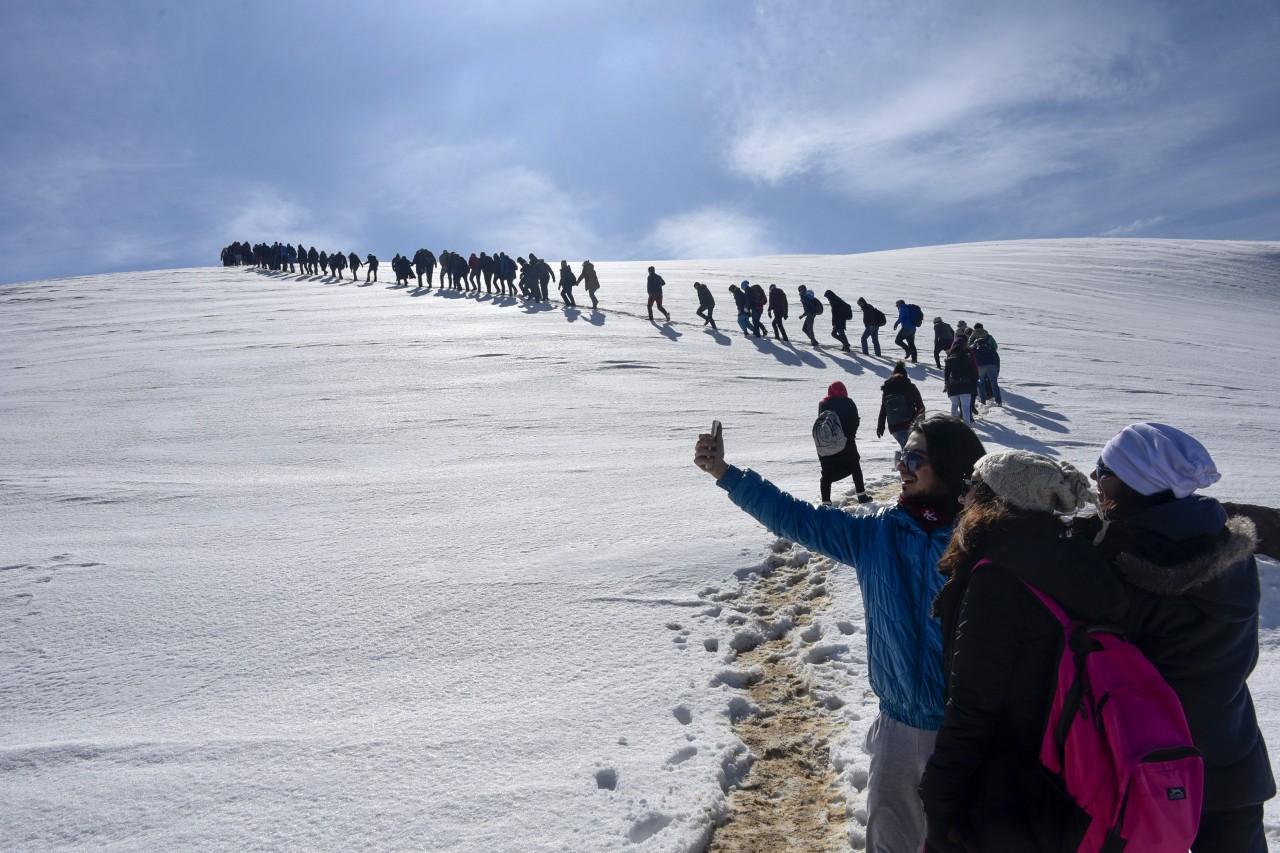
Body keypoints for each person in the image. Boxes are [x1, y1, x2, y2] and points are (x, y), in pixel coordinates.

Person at [694, 415, 986, 853]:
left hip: (967, 736)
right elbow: (795, 518)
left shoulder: (979, 541)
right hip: (898, 730)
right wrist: (725, 473)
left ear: (950, 466)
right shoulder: (876, 533)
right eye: (901, 455)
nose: (902, 466)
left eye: (914, 458)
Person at [1079, 423, 1276, 852]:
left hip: (1145, 763)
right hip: (1232, 758)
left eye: (1103, 469)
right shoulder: (1230, 550)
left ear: (1134, 482)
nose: (1094, 478)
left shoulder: (1118, 561)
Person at [920, 451, 1123, 852]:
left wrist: (938, 798)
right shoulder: (1081, 562)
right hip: (1071, 783)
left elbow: (973, 706)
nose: (961, 498)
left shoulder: (997, 580)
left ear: (994, 499)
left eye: (970, 486)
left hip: (1004, 799)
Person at [817, 381, 871, 505]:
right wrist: (850, 436)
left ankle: (826, 503)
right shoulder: (848, 402)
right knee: (854, 465)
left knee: (826, 473)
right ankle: (862, 496)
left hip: (826, 444)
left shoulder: (823, 403)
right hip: (846, 442)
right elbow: (855, 421)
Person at [877, 360, 926, 448]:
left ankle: (903, 455)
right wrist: (921, 423)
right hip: (910, 424)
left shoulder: (887, 389)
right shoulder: (910, 387)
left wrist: (880, 427)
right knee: (911, 449)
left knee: (906, 448)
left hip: (894, 426)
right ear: (905, 375)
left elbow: (883, 409)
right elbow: (920, 406)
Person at [944, 338, 979, 424]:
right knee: (965, 408)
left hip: (953, 386)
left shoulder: (949, 360)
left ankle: (954, 424)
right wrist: (975, 384)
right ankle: (967, 425)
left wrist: (946, 385)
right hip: (966, 386)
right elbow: (972, 372)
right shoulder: (967, 358)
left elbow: (946, 375)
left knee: (954, 405)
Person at [970, 328, 1002, 407]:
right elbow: (997, 358)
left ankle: (983, 400)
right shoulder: (989, 345)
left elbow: (971, 358)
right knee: (994, 383)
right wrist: (997, 369)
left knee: (981, 383)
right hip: (992, 365)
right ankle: (999, 402)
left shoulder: (974, 346)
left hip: (980, 366)